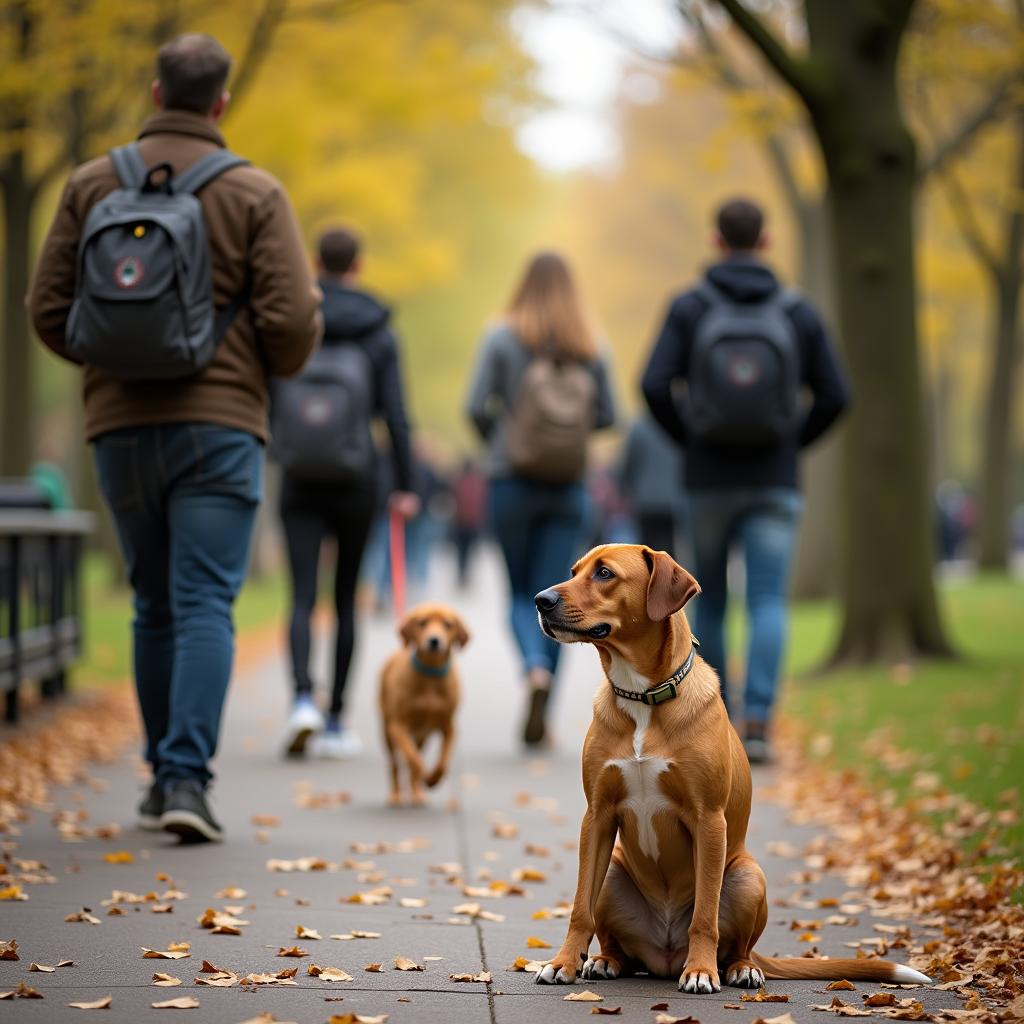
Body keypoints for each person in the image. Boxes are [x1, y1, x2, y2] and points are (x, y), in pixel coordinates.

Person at [28, 34, 321, 842]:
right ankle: (188, 779)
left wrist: (111, 362)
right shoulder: (255, 193)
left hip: (120, 428)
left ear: (157, 94)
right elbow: (293, 322)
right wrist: (257, 364)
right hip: (219, 428)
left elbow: (48, 308)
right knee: (204, 601)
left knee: (152, 601)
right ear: (220, 103)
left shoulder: (90, 183)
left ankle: (161, 776)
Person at [641, 198, 849, 764]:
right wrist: (790, 442)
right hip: (774, 478)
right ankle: (759, 723)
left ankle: (716, 718)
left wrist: (691, 438)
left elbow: (654, 383)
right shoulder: (796, 312)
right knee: (766, 599)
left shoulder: (689, 307)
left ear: (715, 240)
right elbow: (835, 394)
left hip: (706, 478)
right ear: (767, 241)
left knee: (704, 595)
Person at [465, 251, 616, 747]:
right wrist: (568, 436)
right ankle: (544, 699)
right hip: (569, 485)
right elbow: (610, 415)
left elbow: (475, 405)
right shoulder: (591, 343)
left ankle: (532, 668)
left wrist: (505, 438)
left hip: (510, 479)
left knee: (517, 592)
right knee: (560, 592)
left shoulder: (502, 336)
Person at [278, 227, 418, 759]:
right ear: (357, 266)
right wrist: (405, 483)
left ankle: (300, 701)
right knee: (344, 599)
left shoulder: (296, 321)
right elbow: (397, 416)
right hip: (358, 478)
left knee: (300, 594)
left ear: (315, 263)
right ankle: (336, 717)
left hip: (298, 475)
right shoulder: (379, 332)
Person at [616, 413, 688, 558]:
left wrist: (625, 489)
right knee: (673, 550)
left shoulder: (639, 427)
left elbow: (628, 465)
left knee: (647, 553)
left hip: (646, 502)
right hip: (677, 500)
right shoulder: (682, 423)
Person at [450, 458, 488, 589]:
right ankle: (465, 576)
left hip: (461, 523)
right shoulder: (479, 483)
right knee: (469, 552)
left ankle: (462, 576)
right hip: (473, 524)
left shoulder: (458, 482)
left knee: (461, 552)